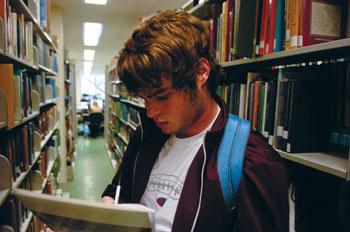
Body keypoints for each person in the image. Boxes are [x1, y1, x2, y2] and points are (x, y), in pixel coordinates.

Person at [101, 10, 289, 232]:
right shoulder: (146, 133)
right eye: (144, 99)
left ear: (201, 72)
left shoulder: (253, 162)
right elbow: (119, 189)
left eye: (162, 96)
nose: (151, 112)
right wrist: (108, 203)